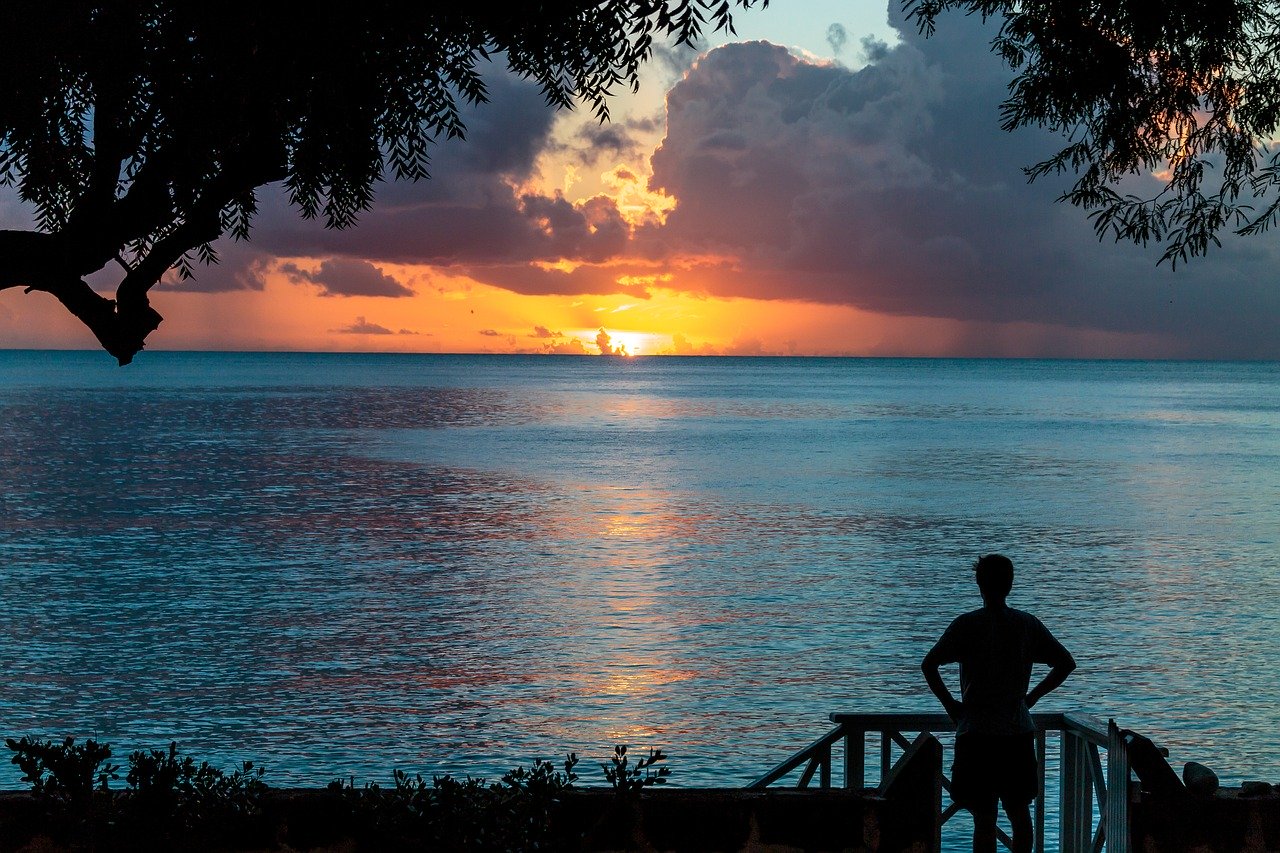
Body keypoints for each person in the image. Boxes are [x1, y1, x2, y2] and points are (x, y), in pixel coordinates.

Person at [921, 554, 1076, 853]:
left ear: (979, 584)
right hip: (1016, 731)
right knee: (1019, 815)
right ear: (1010, 585)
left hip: (976, 733)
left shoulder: (966, 625)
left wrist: (951, 705)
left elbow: (929, 665)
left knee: (983, 818)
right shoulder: (1026, 625)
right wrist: (1031, 698)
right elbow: (1065, 663)